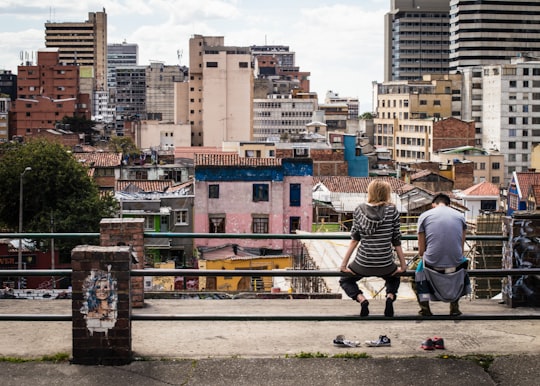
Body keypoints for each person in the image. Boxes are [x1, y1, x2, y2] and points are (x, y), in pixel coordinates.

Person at [339, 180, 407, 317]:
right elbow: (396, 240)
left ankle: (362, 299)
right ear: (386, 193)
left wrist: (344, 264)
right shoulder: (392, 210)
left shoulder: (359, 210)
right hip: (385, 263)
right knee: (394, 278)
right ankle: (390, 297)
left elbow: (354, 240)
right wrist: (403, 265)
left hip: (363, 262)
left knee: (345, 280)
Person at [415, 193, 470, 316]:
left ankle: (425, 309)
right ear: (448, 204)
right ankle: (454, 307)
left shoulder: (424, 216)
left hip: (432, 265)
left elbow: (421, 251)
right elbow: (461, 249)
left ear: (433, 204)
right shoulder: (460, 216)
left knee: (415, 273)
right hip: (456, 265)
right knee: (462, 264)